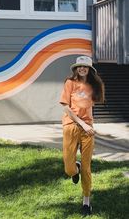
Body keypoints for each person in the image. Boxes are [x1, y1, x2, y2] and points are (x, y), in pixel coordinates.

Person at [59, 56, 104, 216]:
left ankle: (86, 202)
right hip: (71, 126)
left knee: (87, 168)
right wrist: (82, 124)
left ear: (90, 69)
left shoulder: (93, 86)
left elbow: (90, 107)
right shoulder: (69, 83)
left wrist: (90, 125)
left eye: (85, 67)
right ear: (76, 69)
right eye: (79, 67)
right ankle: (74, 169)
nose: (82, 69)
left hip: (87, 129)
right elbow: (67, 108)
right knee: (69, 168)